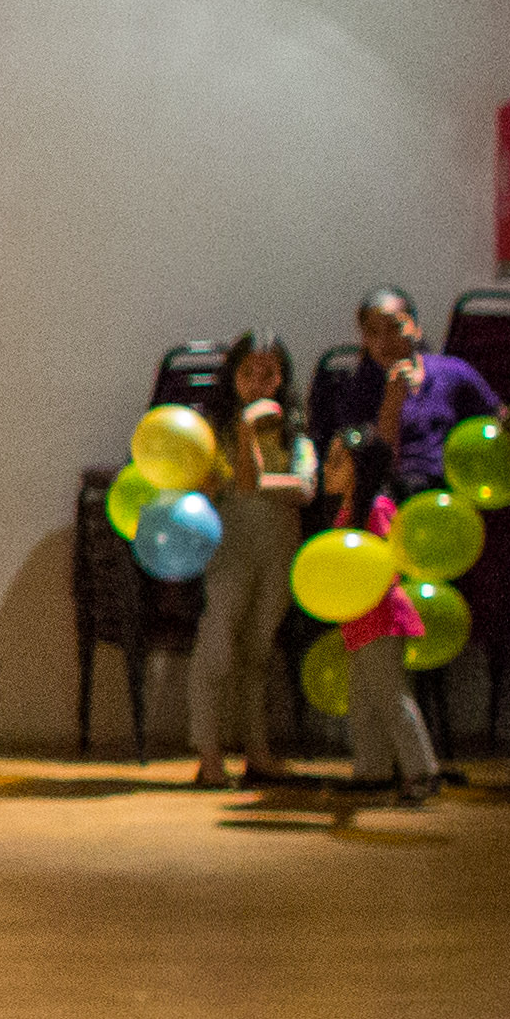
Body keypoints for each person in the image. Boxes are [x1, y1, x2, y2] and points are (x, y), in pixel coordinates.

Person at [188, 332, 313, 789]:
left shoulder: (295, 430)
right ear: (232, 377)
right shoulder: (217, 429)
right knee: (219, 642)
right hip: (229, 549)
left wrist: (269, 483)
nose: (260, 382)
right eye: (248, 372)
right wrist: (245, 435)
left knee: (258, 652)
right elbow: (238, 484)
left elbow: (304, 488)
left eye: (270, 373)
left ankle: (257, 752)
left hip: (278, 549)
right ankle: (208, 752)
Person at [318, 427, 441, 806]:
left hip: (382, 620)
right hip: (360, 623)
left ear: (356, 467)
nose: (326, 468)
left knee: (390, 696)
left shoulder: (376, 509)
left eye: (337, 460)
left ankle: (422, 771)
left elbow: (386, 565)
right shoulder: (348, 512)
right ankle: (373, 769)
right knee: (363, 698)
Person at [356, 288, 495, 498]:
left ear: (416, 328)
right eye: (373, 332)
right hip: (393, 498)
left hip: (453, 492)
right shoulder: (358, 387)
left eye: (394, 327)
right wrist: (392, 402)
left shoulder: (453, 371)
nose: (384, 341)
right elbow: (373, 468)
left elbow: (495, 420)